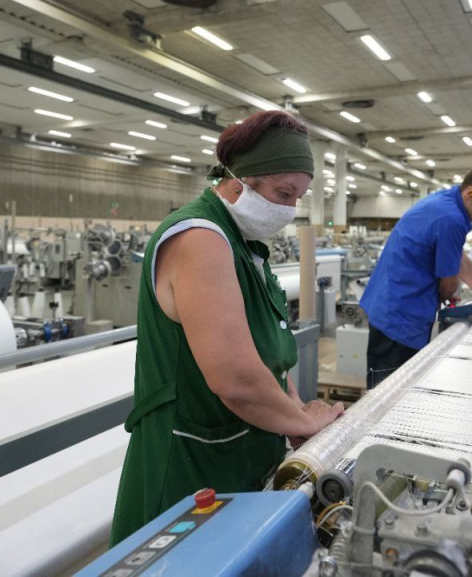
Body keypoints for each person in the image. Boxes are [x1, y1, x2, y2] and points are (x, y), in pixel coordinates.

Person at [111, 111, 344, 544]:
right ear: (241, 180)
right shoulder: (200, 239)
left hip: (241, 452)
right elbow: (236, 379)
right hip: (189, 462)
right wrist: (304, 423)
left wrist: (291, 415)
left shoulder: (245, 245)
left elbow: (268, 354)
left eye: (298, 197)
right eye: (283, 193)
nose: (289, 209)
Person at [360, 165, 472, 388]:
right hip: (401, 317)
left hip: (389, 305)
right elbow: (448, 286)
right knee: (389, 393)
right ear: (471, 193)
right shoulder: (451, 219)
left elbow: (456, 255)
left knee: (388, 387)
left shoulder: (448, 200)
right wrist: (455, 298)